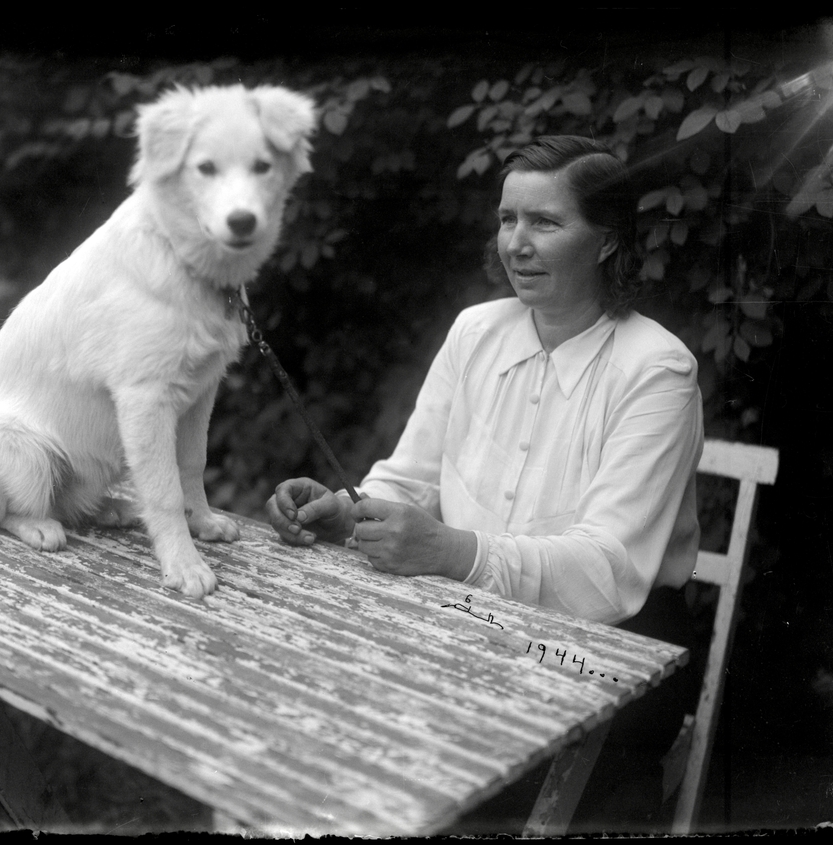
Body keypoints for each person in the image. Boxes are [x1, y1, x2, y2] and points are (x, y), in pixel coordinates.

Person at [265, 135, 704, 828]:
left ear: (608, 241)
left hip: (610, 654)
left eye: (545, 222)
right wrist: (349, 513)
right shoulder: (476, 331)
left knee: (441, 774)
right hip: (471, 623)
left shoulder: (657, 370)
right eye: (508, 219)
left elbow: (609, 571)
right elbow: (410, 479)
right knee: (318, 719)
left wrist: (454, 552)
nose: (516, 244)